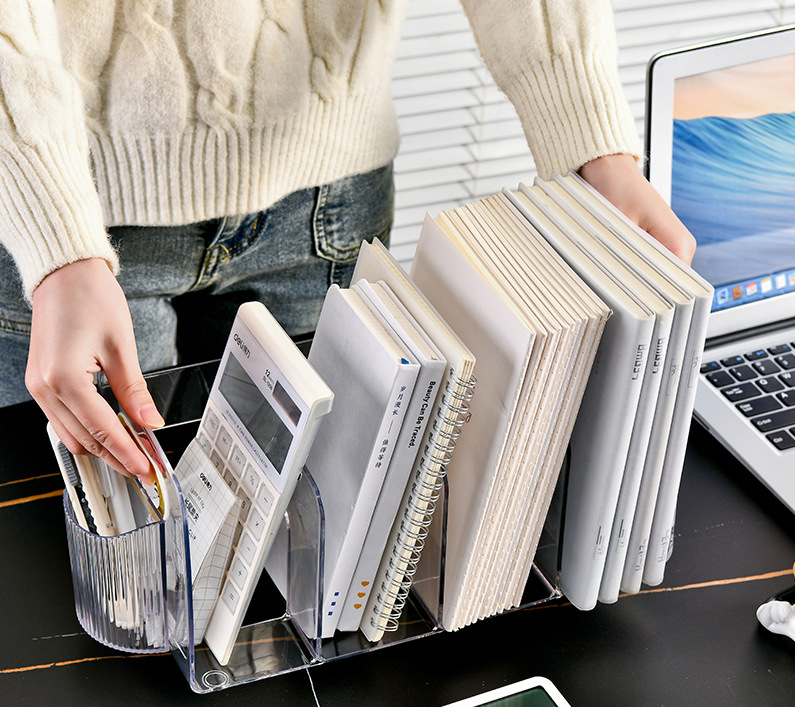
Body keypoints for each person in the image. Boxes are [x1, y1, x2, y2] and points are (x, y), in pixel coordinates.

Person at [0, 1, 695, 482]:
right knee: (105, 569)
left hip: (328, 200)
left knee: (317, 543)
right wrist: (57, 245)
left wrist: (589, 141)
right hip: (70, 227)